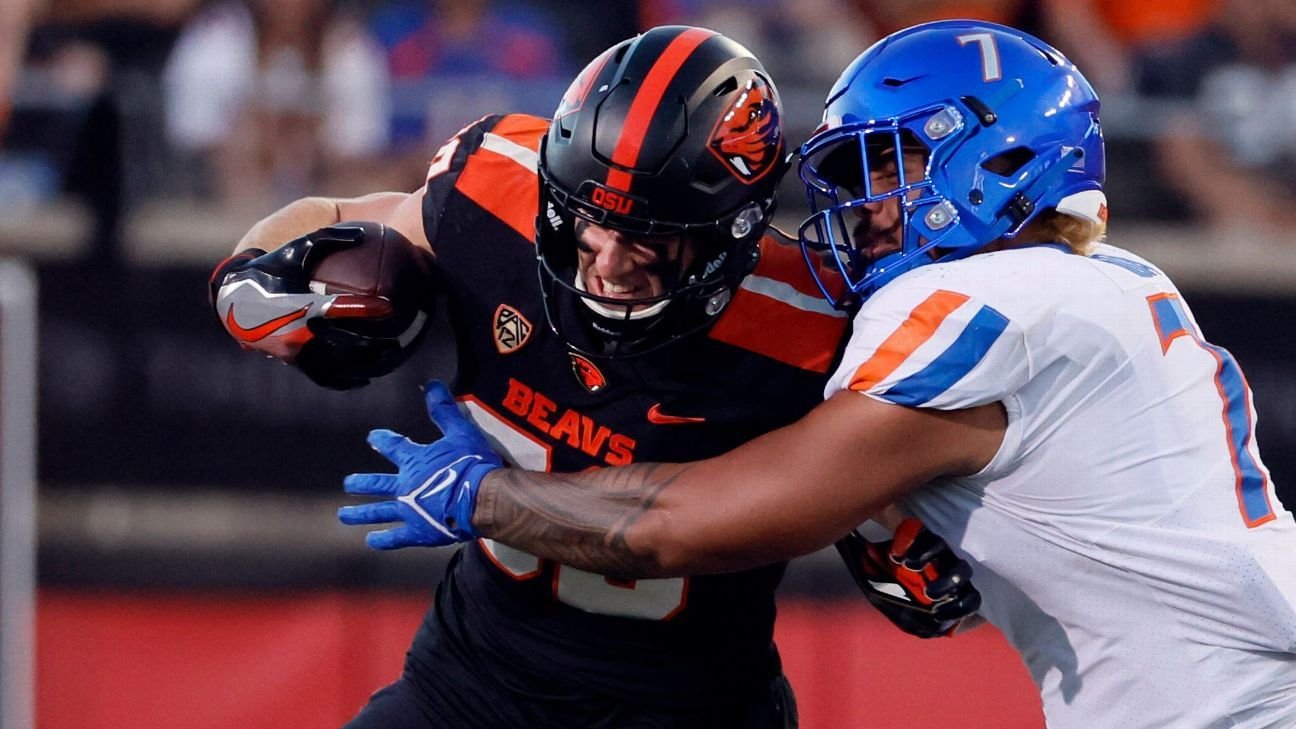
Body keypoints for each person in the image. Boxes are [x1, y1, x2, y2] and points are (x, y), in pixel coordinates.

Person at [341, 19, 1296, 729]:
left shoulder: (977, 305)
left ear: (1001, 157)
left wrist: (489, 496)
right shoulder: (1101, 281)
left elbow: (686, 521)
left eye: (892, 164)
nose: (862, 204)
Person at [213, 25, 977, 729]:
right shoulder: (494, 192)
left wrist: (895, 532)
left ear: (732, 230)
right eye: (589, 218)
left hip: (692, 710)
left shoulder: (811, 331)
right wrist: (257, 286)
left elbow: (921, 576)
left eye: (649, 237)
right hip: (474, 678)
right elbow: (337, 213)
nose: (608, 260)